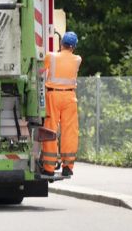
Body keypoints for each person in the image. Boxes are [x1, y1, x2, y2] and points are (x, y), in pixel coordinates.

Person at [41, 31, 82, 177]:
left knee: (50, 129)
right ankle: (68, 166)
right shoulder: (78, 59)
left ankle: (49, 168)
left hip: (53, 95)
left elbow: (39, 70)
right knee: (69, 131)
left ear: (61, 43)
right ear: (74, 47)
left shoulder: (51, 57)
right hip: (70, 97)